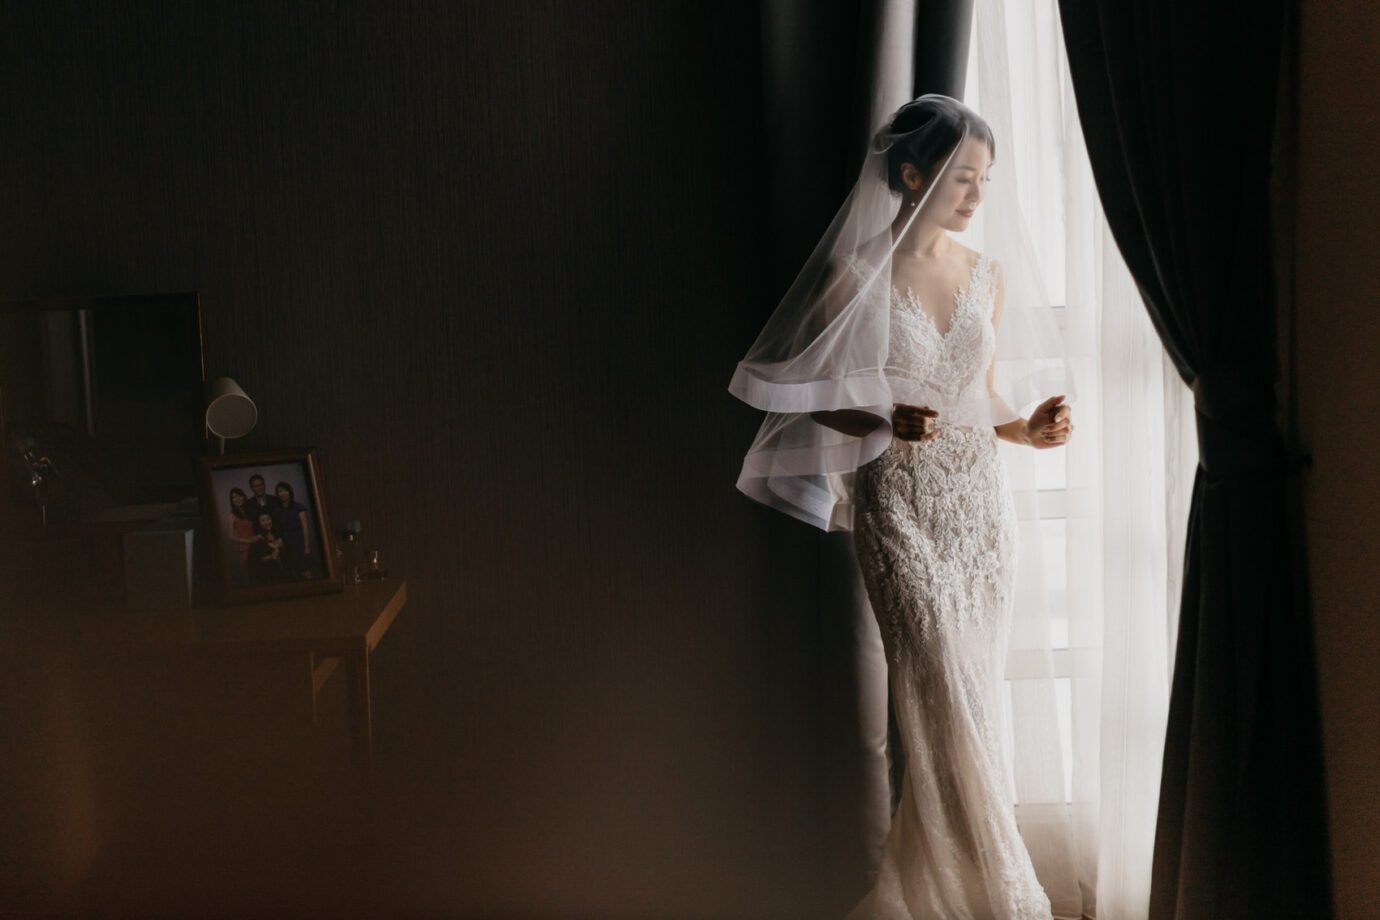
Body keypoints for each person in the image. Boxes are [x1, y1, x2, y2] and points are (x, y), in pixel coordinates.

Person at [729, 96, 1073, 919]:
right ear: (912, 174)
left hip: (981, 511)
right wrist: (882, 418)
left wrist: (1027, 429)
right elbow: (801, 393)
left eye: (985, 180)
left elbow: (979, 395)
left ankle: (925, 899)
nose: (977, 196)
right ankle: (1005, 901)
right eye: (962, 178)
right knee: (940, 699)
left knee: (972, 705)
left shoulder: (984, 275)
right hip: (900, 512)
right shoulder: (856, 279)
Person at [274, 481, 313, 580]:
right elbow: (277, 528)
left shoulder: (299, 507)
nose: (282, 493)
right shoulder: (277, 509)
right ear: (277, 494)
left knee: (304, 570)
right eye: (280, 492)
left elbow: (305, 528)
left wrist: (306, 547)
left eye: (285, 491)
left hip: (298, 541)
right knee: (291, 571)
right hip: (285, 543)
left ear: (290, 492)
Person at [225, 487, 258, 584]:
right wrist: (249, 541)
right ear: (231, 500)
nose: (237, 499)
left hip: (257, 545)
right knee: (249, 576)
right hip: (245, 548)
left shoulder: (250, 511)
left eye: (239, 496)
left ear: (244, 497)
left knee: (260, 573)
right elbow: (230, 537)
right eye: (234, 497)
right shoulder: (231, 515)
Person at [246, 510, 286, 585]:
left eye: (268, 519)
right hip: (268, 578)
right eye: (263, 520)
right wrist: (272, 556)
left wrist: (282, 546)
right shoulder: (258, 539)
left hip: (282, 575)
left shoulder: (277, 534)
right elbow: (257, 561)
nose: (267, 522)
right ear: (259, 523)